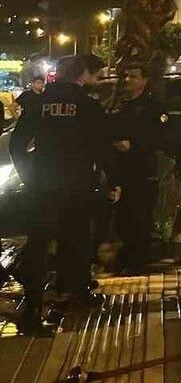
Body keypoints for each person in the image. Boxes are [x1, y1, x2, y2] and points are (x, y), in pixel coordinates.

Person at [19, 55, 113, 335]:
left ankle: (32, 311)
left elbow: (17, 144)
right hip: (76, 186)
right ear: (82, 75)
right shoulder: (88, 106)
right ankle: (77, 292)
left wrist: (29, 175)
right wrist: (107, 179)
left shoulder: (38, 103)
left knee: (38, 245)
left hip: (43, 186)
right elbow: (101, 147)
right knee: (77, 239)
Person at [110, 62, 165, 272]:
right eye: (126, 76)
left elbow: (160, 136)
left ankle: (137, 261)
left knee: (140, 216)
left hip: (142, 170)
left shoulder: (153, 107)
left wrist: (134, 144)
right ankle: (127, 257)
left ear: (144, 80)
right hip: (120, 169)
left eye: (133, 76)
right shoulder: (119, 104)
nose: (127, 80)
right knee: (123, 217)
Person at [9, 75, 45, 184]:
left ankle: (32, 174)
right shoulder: (26, 95)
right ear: (33, 84)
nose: (40, 85)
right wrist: (16, 117)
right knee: (17, 148)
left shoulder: (44, 97)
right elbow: (12, 106)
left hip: (38, 127)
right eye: (38, 83)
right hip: (24, 126)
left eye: (41, 83)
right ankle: (25, 173)